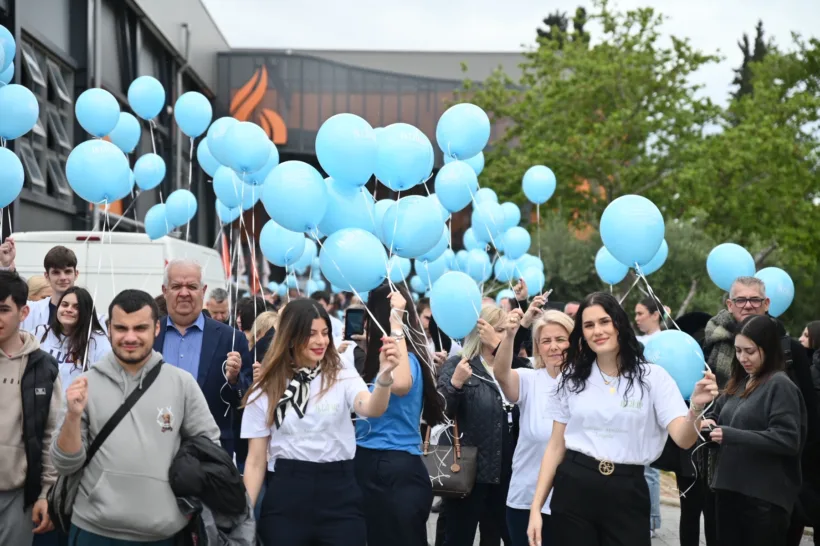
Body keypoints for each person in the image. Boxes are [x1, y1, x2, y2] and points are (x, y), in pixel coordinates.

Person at [527, 292, 718, 546]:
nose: (597, 331)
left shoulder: (653, 378)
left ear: (618, 323)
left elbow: (683, 439)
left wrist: (695, 407)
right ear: (581, 333)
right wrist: (535, 508)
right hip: (574, 486)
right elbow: (555, 445)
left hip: (628, 490)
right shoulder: (571, 378)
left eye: (604, 321)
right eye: (589, 325)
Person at [51, 289, 222, 545]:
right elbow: (64, 465)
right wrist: (73, 418)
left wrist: (182, 498)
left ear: (156, 328)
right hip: (94, 531)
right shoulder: (85, 384)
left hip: (163, 534)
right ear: (109, 328)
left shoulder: (182, 384)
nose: (130, 337)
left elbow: (211, 454)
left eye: (140, 328)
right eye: (121, 328)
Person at [241, 298, 401, 546]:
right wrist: (244, 516)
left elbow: (371, 407)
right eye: (311, 334)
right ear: (291, 337)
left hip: (339, 491)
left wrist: (385, 376)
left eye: (325, 333)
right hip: (287, 492)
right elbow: (254, 460)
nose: (321, 341)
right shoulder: (266, 387)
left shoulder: (342, 373)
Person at [703, 276, 820, 544]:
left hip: (763, 499)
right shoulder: (739, 380)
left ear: (766, 349)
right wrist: (707, 422)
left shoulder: (780, 384)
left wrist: (730, 434)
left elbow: (789, 438)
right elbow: (717, 413)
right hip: (728, 490)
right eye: (738, 351)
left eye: (749, 352)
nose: (742, 358)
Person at [354, 283, 447, 546]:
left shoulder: (408, 359)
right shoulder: (372, 362)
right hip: (366, 462)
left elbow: (402, 384)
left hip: (395, 468)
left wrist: (396, 322)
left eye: (368, 318)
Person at [437, 304, 530, 546]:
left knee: (512, 536)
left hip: (511, 469)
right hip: (469, 469)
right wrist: (455, 384)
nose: (503, 335)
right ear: (482, 332)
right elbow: (440, 414)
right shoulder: (461, 364)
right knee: (459, 537)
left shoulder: (519, 368)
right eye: (498, 330)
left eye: (506, 331)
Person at [155, 259, 253, 457]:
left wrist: (235, 380)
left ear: (203, 290)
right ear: (165, 291)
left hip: (210, 450)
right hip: (155, 445)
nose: (184, 293)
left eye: (192, 286)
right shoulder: (149, 334)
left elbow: (247, 398)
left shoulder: (231, 338)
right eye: (176, 286)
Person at [493, 309, 574, 546]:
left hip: (572, 502)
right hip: (526, 497)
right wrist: (509, 336)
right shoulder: (530, 379)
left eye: (560, 339)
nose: (553, 347)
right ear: (537, 347)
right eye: (545, 341)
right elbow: (500, 373)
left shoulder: (587, 382)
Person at [0, 270, 62, 546]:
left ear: (24, 312)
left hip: (19, 496)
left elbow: (50, 434)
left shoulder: (43, 367)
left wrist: (45, 493)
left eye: (3, 309)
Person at [36, 287, 110, 392]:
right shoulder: (40, 333)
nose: (69, 310)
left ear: (86, 311)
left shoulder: (98, 340)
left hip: (79, 405)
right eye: (64, 305)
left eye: (77, 307)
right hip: (43, 404)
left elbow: (104, 381)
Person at [633, 295, 664, 536]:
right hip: (634, 405)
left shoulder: (666, 341)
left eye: (641, 313)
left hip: (655, 407)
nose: (637, 318)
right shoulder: (636, 340)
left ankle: (652, 520)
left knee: (650, 468)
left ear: (655, 314)